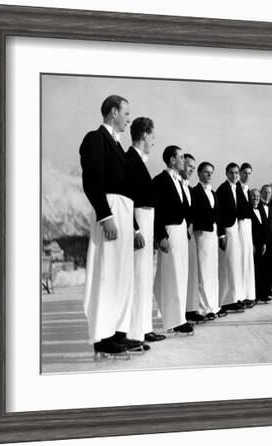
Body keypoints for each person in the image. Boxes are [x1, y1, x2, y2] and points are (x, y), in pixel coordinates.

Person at [79, 94, 136, 356]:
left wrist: (131, 224)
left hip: (124, 212)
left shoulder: (117, 143)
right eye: (125, 113)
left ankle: (118, 333)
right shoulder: (95, 139)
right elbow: (92, 181)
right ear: (113, 112)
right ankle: (103, 337)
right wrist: (106, 216)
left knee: (121, 276)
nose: (128, 118)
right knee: (107, 275)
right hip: (111, 212)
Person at [125, 117, 166, 346]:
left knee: (144, 278)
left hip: (147, 220)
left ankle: (144, 327)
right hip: (139, 221)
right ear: (144, 135)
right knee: (137, 278)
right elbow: (127, 198)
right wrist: (135, 229)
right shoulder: (130, 159)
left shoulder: (139, 160)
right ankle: (133, 332)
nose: (153, 141)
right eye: (152, 136)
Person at [152, 146, 194, 334]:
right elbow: (156, 211)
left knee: (181, 274)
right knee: (172, 275)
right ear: (171, 160)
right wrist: (161, 236)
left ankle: (179, 317)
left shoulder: (179, 181)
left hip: (181, 232)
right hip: (169, 232)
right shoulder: (160, 181)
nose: (184, 161)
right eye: (181, 157)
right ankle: (173, 320)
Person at [190, 162, 226, 320]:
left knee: (212, 271)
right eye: (206, 172)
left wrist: (221, 235)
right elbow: (195, 214)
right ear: (199, 173)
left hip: (212, 235)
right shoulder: (195, 192)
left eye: (211, 172)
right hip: (201, 234)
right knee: (203, 271)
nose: (209, 175)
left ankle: (212, 306)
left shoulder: (214, 193)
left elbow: (218, 214)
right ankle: (202, 308)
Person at [179, 154, 205, 325]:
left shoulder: (188, 188)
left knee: (191, 273)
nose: (191, 170)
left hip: (190, 232)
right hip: (179, 231)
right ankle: (181, 312)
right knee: (181, 273)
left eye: (193, 168)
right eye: (188, 166)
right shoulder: (177, 184)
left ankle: (190, 309)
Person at [216, 163, 245, 313]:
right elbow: (218, 214)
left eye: (236, 173)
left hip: (235, 229)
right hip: (227, 230)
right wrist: (221, 234)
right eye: (232, 173)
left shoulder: (237, 188)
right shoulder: (222, 190)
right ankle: (226, 301)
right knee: (227, 265)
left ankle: (234, 298)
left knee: (235, 265)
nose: (234, 176)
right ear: (226, 174)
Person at [237, 163, 256, 308]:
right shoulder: (236, 188)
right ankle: (240, 295)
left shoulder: (247, 189)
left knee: (248, 261)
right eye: (245, 173)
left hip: (247, 228)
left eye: (249, 173)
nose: (247, 176)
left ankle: (249, 294)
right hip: (239, 227)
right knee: (241, 262)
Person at [249, 188, 271, 303]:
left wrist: (265, 243)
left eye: (257, 196)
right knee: (255, 271)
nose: (256, 198)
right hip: (253, 244)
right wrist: (251, 244)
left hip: (262, 244)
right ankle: (255, 295)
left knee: (264, 270)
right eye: (253, 196)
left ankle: (264, 294)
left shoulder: (261, 209)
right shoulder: (248, 210)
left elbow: (265, 227)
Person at [259, 184, 272, 298]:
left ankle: (268, 290)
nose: (267, 194)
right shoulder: (257, 206)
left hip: (270, 239)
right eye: (265, 192)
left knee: (270, 266)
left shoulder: (271, 207)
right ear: (261, 193)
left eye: (269, 192)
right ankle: (262, 292)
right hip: (261, 240)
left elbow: (271, 224)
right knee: (262, 267)